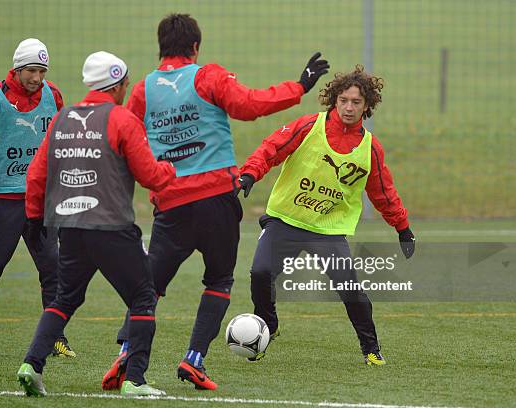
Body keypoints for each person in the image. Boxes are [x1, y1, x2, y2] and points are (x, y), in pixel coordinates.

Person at [103, 13, 329, 391]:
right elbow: (251, 105)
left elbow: (125, 140)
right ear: (195, 47)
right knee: (220, 280)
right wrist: (300, 85)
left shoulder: (143, 90)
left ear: (161, 48)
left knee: (149, 289)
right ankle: (194, 359)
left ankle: (127, 351)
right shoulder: (208, 76)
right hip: (216, 202)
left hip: (171, 204)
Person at [16, 51, 176, 397]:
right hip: (111, 227)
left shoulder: (62, 119)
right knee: (143, 298)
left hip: (69, 227)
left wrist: (32, 216)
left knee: (64, 298)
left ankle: (31, 364)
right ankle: (135, 380)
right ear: (116, 85)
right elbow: (150, 175)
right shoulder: (121, 119)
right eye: (126, 84)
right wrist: (169, 169)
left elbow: (37, 174)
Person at [235, 65, 415, 365]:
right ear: (334, 100)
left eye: (356, 102)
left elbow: (383, 193)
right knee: (260, 273)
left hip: (327, 230)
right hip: (286, 220)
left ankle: (371, 348)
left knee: (350, 288)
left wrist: (403, 228)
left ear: (367, 106)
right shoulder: (308, 127)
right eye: (343, 100)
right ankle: (268, 325)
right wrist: (250, 174)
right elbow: (271, 148)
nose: (348, 107)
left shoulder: (370, 148)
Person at [0, 38, 75, 358]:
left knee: (53, 268)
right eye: (31, 71)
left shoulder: (53, 95)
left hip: (41, 199)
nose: (37, 78)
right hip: (2, 199)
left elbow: (59, 142)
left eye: (42, 70)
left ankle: (55, 336)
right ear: (17, 68)